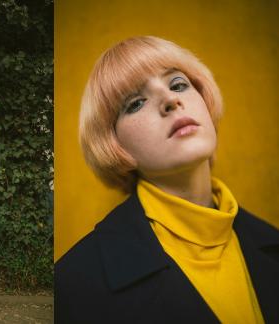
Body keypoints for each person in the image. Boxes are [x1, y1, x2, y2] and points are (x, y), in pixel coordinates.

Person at [55, 36, 279, 323]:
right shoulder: (73, 285)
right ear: (115, 145)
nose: (171, 100)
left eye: (178, 84)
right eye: (135, 103)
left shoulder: (271, 242)